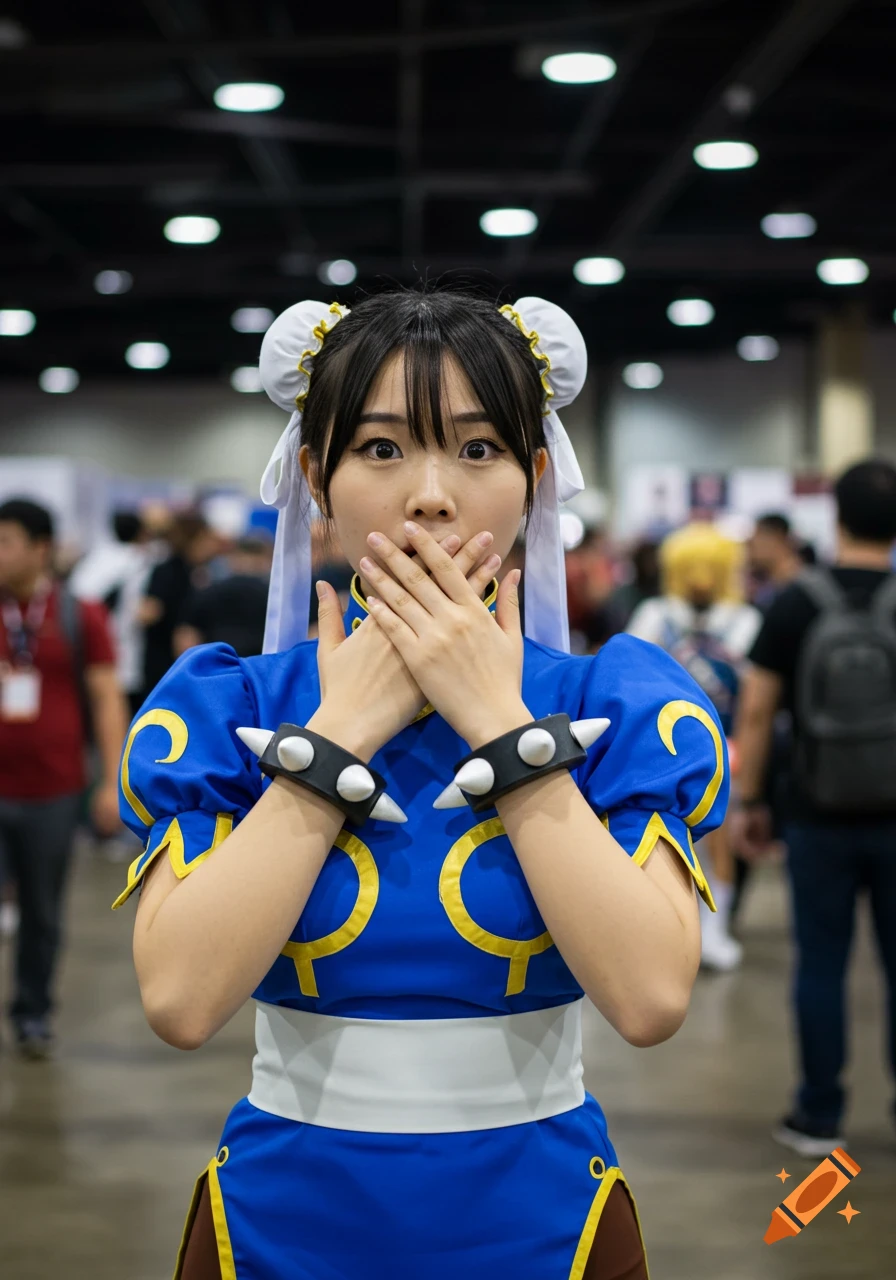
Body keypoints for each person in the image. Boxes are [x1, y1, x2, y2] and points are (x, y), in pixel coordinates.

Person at [113, 291, 729, 1279]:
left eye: (478, 449)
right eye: (383, 448)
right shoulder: (234, 707)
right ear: (315, 475)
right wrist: (333, 735)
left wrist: (502, 722)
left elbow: (651, 995)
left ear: (535, 479)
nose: (430, 494)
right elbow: (181, 1000)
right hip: (282, 1221)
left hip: (541, 1219)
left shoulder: (609, 701)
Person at [735, 458, 896, 1158]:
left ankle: (818, 1116)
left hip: (815, 811)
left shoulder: (796, 602)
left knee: (821, 963)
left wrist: (748, 799)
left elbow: (759, 708)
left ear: (837, 517)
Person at [0, 498, 127, 1057]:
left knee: (42, 913)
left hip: (54, 791)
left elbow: (105, 699)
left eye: (6, 542)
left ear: (40, 548)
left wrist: (109, 782)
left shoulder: (81, 615)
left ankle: (32, 1015)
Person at [627, 523, 762, 971]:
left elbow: (754, 692)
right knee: (661, 839)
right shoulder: (654, 613)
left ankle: (714, 932)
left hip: (726, 743)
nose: (701, 575)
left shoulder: (744, 619)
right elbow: (630, 675)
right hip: (663, 747)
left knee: (721, 839)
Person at [70, 510, 152, 716]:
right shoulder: (139, 561)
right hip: (122, 646)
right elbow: (138, 610)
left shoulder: (95, 557)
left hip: (89, 646)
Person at [139, 512, 219, 699]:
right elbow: (147, 612)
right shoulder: (168, 571)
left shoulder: (197, 572)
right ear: (196, 538)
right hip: (165, 661)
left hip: (180, 661)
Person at [174, 535, 272, 659]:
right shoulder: (273, 597)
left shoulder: (208, 591)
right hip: (261, 669)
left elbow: (186, 637)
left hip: (217, 666)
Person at [747, 513, 803, 612]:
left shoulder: (801, 588)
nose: (750, 546)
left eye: (757, 536)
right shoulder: (769, 588)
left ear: (776, 537)